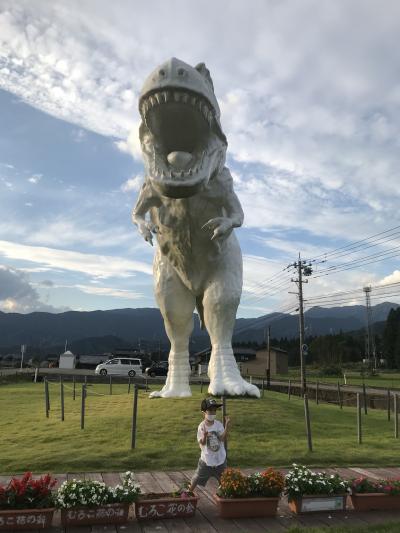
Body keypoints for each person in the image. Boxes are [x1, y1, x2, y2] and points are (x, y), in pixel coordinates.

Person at [189, 398, 230, 491]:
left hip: (220, 459)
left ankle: (225, 495)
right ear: (203, 413)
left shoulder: (218, 424)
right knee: (197, 478)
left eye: (214, 410)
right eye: (210, 410)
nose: (212, 413)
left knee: (225, 480)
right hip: (207, 460)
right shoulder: (201, 426)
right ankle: (188, 494)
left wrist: (226, 426)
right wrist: (204, 436)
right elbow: (202, 443)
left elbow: (222, 438)